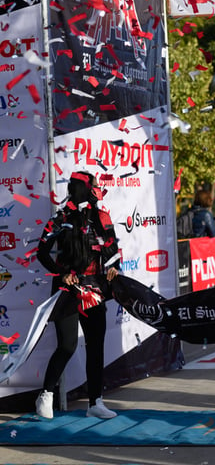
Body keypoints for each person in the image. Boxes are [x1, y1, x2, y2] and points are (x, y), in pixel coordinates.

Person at [35, 171, 122, 420]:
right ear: (83, 188)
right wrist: (61, 273)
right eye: (94, 185)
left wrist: (114, 266)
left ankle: (95, 402)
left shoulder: (102, 217)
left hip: (94, 289)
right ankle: (46, 395)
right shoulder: (61, 217)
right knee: (67, 344)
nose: (98, 189)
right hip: (68, 289)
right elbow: (42, 252)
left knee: (95, 346)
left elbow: (113, 249)